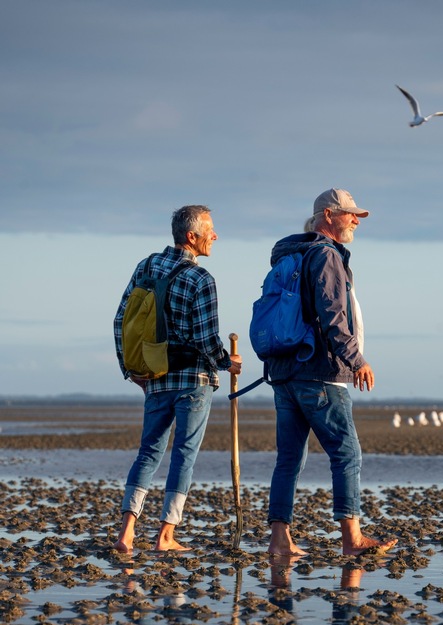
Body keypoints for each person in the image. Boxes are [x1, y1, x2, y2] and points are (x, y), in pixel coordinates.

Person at [265, 188, 397, 557]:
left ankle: (280, 540)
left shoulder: (291, 255)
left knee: (289, 458)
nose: (355, 220)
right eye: (350, 213)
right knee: (346, 452)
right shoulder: (324, 255)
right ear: (327, 215)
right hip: (320, 372)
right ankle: (352, 540)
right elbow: (332, 314)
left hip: (285, 372)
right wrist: (357, 360)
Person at [113, 204, 241, 553]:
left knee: (148, 452)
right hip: (194, 380)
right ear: (192, 236)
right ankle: (165, 536)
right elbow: (205, 338)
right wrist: (227, 363)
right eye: (210, 230)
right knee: (184, 454)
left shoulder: (147, 267)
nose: (215, 236)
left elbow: (120, 321)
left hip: (154, 375)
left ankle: (126, 533)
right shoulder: (201, 279)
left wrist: (131, 370)